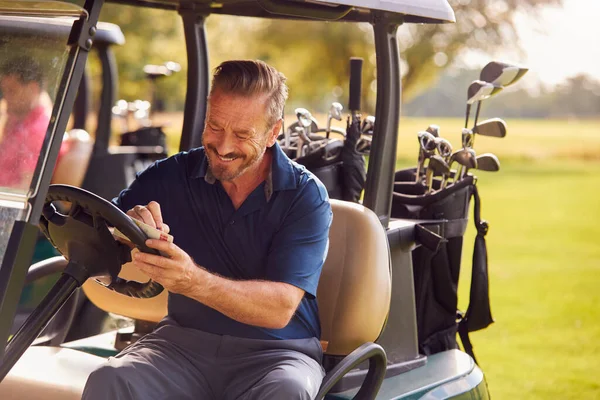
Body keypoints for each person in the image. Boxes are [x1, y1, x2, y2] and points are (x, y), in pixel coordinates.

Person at [83, 60, 333, 400]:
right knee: (111, 379)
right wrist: (129, 224)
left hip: (276, 355)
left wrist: (191, 280)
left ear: (274, 132)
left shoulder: (305, 196)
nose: (224, 146)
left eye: (243, 134)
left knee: (285, 393)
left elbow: (279, 309)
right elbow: (101, 223)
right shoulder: (172, 175)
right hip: (182, 345)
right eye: (215, 126)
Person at [0, 56, 91, 190]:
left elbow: (26, 189)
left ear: (33, 89)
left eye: (12, 91)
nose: (6, 98)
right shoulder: (18, 122)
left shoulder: (38, 130)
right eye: (4, 91)